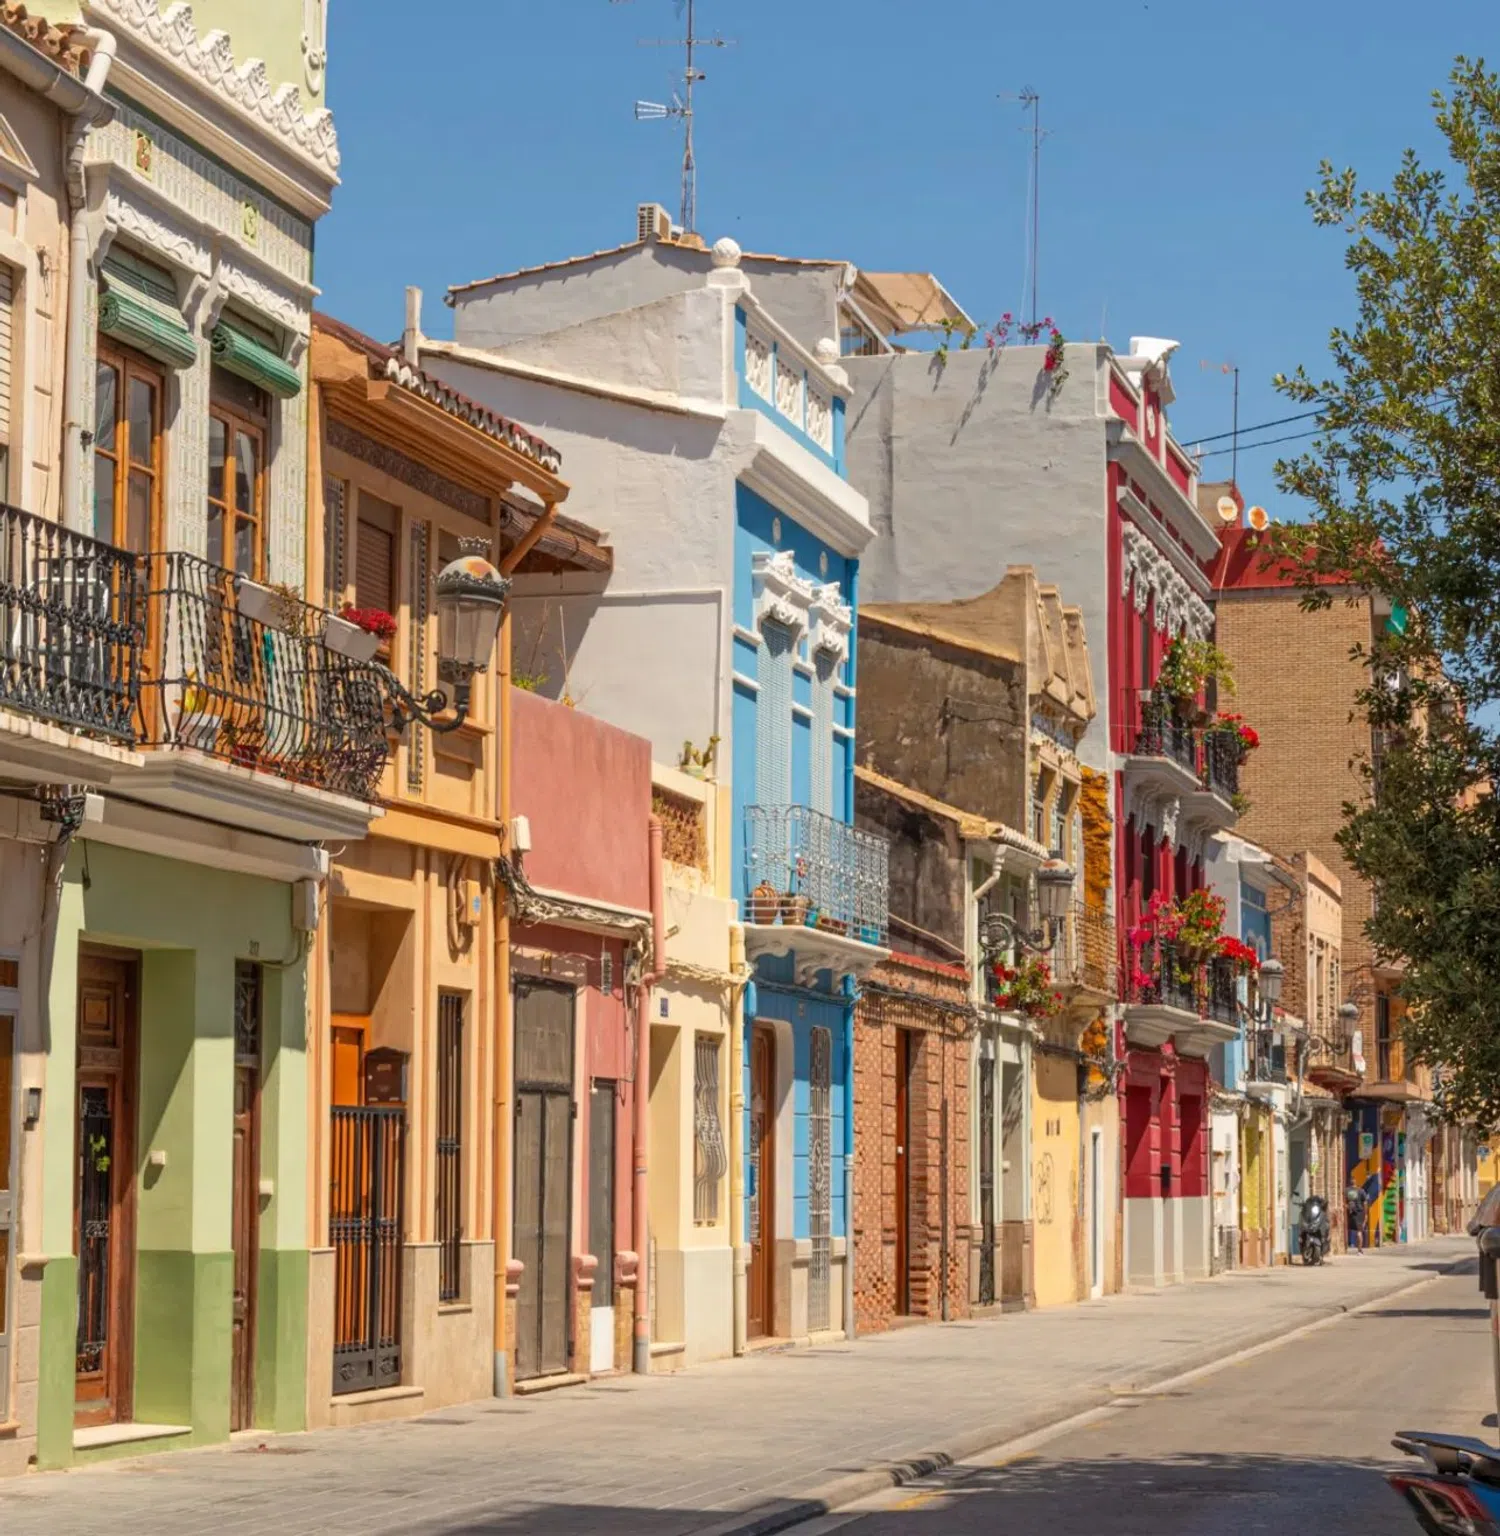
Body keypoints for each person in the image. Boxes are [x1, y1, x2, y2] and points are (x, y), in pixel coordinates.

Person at [1346, 1181, 1369, 1253]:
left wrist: (1347, 1207)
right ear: (1356, 1183)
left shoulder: (1346, 1191)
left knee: (1347, 1229)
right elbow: (1365, 1203)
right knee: (1359, 1232)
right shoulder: (1361, 1191)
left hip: (1350, 1213)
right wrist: (1365, 1214)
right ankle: (1359, 1250)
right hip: (1359, 1213)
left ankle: (1347, 1246)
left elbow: (1344, 1201)